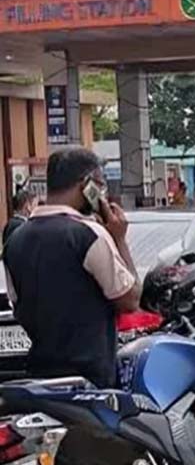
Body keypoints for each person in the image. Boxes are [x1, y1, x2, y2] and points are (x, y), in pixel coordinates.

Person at [3, 148, 140, 388]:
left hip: (39, 379)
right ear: (86, 185)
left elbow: (19, 308)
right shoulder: (89, 234)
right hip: (90, 383)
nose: (102, 194)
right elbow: (130, 300)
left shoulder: (15, 240)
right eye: (100, 185)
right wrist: (119, 239)